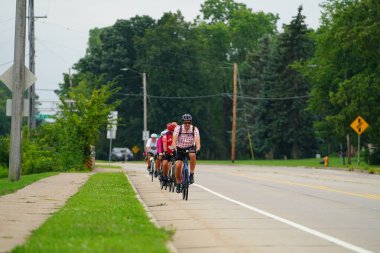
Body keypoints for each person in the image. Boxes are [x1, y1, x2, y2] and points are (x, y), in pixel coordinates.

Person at [172, 114, 201, 193]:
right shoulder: (178, 128)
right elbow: (174, 140)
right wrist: (174, 149)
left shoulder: (194, 129)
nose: (187, 124)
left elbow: (197, 141)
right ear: (183, 122)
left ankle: (191, 174)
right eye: (185, 123)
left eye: (189, 122)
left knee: (193, 154)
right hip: (180, 148)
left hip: (190, 147)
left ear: (191, 122)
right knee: (178, 165)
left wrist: (198, 149)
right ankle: (178, 183)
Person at [161, 122, 177, 186]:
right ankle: (165, 177)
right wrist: (165, 151)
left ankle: (177, 177)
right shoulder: (165, 135)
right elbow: (164, 144)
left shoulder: (177, 135)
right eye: (172, 131)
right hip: (168, 152)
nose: (173, 132)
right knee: (165, 163)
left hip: (175, 152)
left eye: (174, 130)